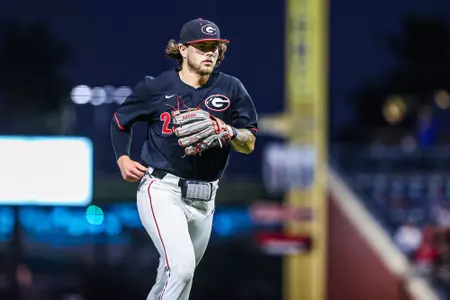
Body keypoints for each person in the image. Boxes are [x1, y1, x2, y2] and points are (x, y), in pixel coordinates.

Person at [110, 18, 258, 300]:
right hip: (162, 189)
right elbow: (120, 121)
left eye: (214, 46)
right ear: (182, 50)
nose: (210, 52)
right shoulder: (157, 86)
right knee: (182, 270)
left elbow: (248, 143)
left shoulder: (231, 88)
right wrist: (123, 159)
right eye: (201, 46)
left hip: (206, 197)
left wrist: (227, 131)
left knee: (172, 274)